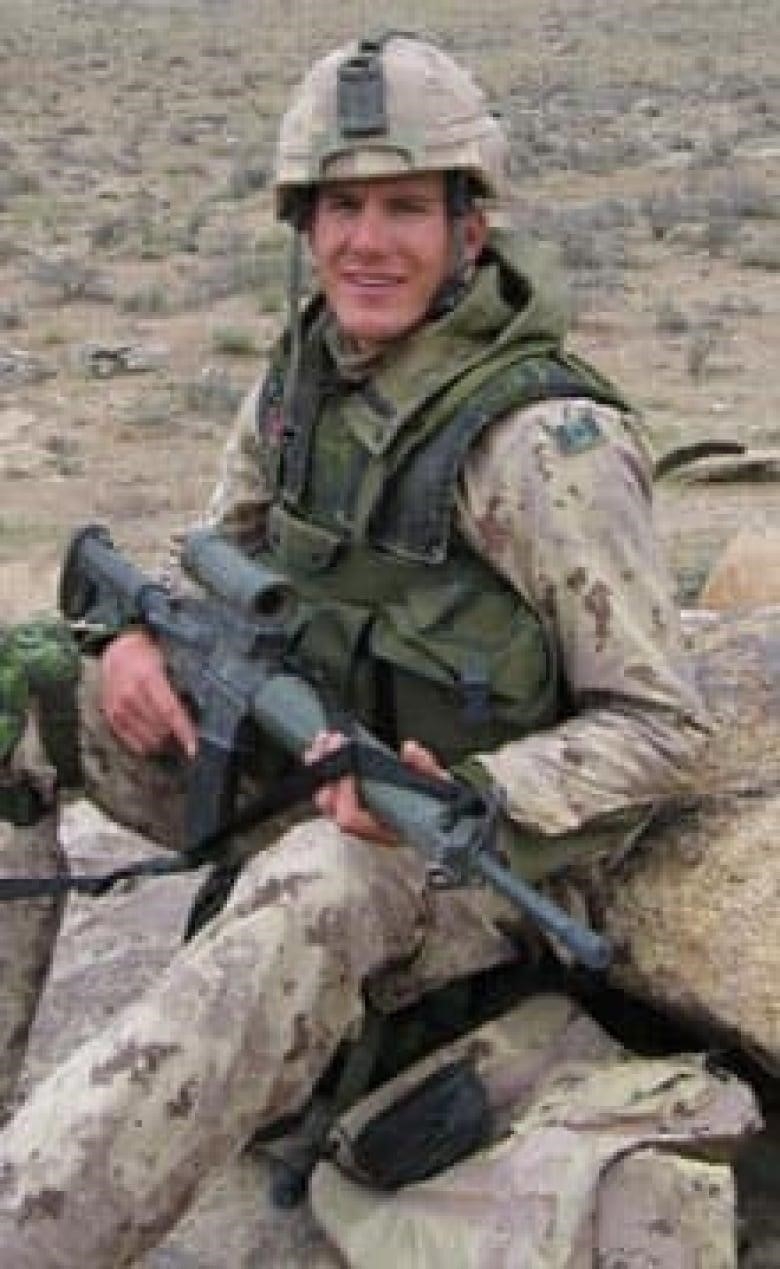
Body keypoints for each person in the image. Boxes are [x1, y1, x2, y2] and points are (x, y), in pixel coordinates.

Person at [0, 33, 712, 1267]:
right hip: (287, 748)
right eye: (340, 208)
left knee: (309, 891)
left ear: (468, 229)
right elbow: (203, 555)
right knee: (21, 695)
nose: (365, 243)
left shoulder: (547, 446)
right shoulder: (300, 377)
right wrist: (124, 642)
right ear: (304, 222)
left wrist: (472, 792)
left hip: (469, 855)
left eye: (402, 209)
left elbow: (661, 726)